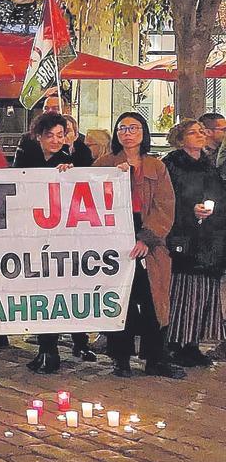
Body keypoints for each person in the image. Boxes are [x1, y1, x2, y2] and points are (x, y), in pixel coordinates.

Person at [94, 113, 185, 378]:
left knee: (153, 300)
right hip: (114, 239)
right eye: (122, 128)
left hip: (149, 241)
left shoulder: (156, 167)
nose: (128, 133)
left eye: (133, 128)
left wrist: (147, 238)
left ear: (143, 132)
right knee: (121, 300)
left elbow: (165, 207)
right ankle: (120, 357)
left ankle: (156, 357)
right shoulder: (105, 164)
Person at [14, 112, 97, 373]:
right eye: (49, 135)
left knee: (63, 290)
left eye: (60, 135)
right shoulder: (25, 157)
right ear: (39, 136)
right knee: (39, 290)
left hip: (63, 238)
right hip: (33, 235)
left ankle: (67, 344)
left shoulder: (71, 159)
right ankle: (45, 347)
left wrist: (71, 174)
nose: (55, 140)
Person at [162, 120, 226, 368]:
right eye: (193, 132)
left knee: (204, 293)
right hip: (183, 238)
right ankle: (177, 341)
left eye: (201, 131)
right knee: (183, 293)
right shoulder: (172, 165)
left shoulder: (209, 165)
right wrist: (190, 212)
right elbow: (167, 199)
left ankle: (193, 343)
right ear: (180, 139)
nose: (200, 135)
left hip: (209, 240)